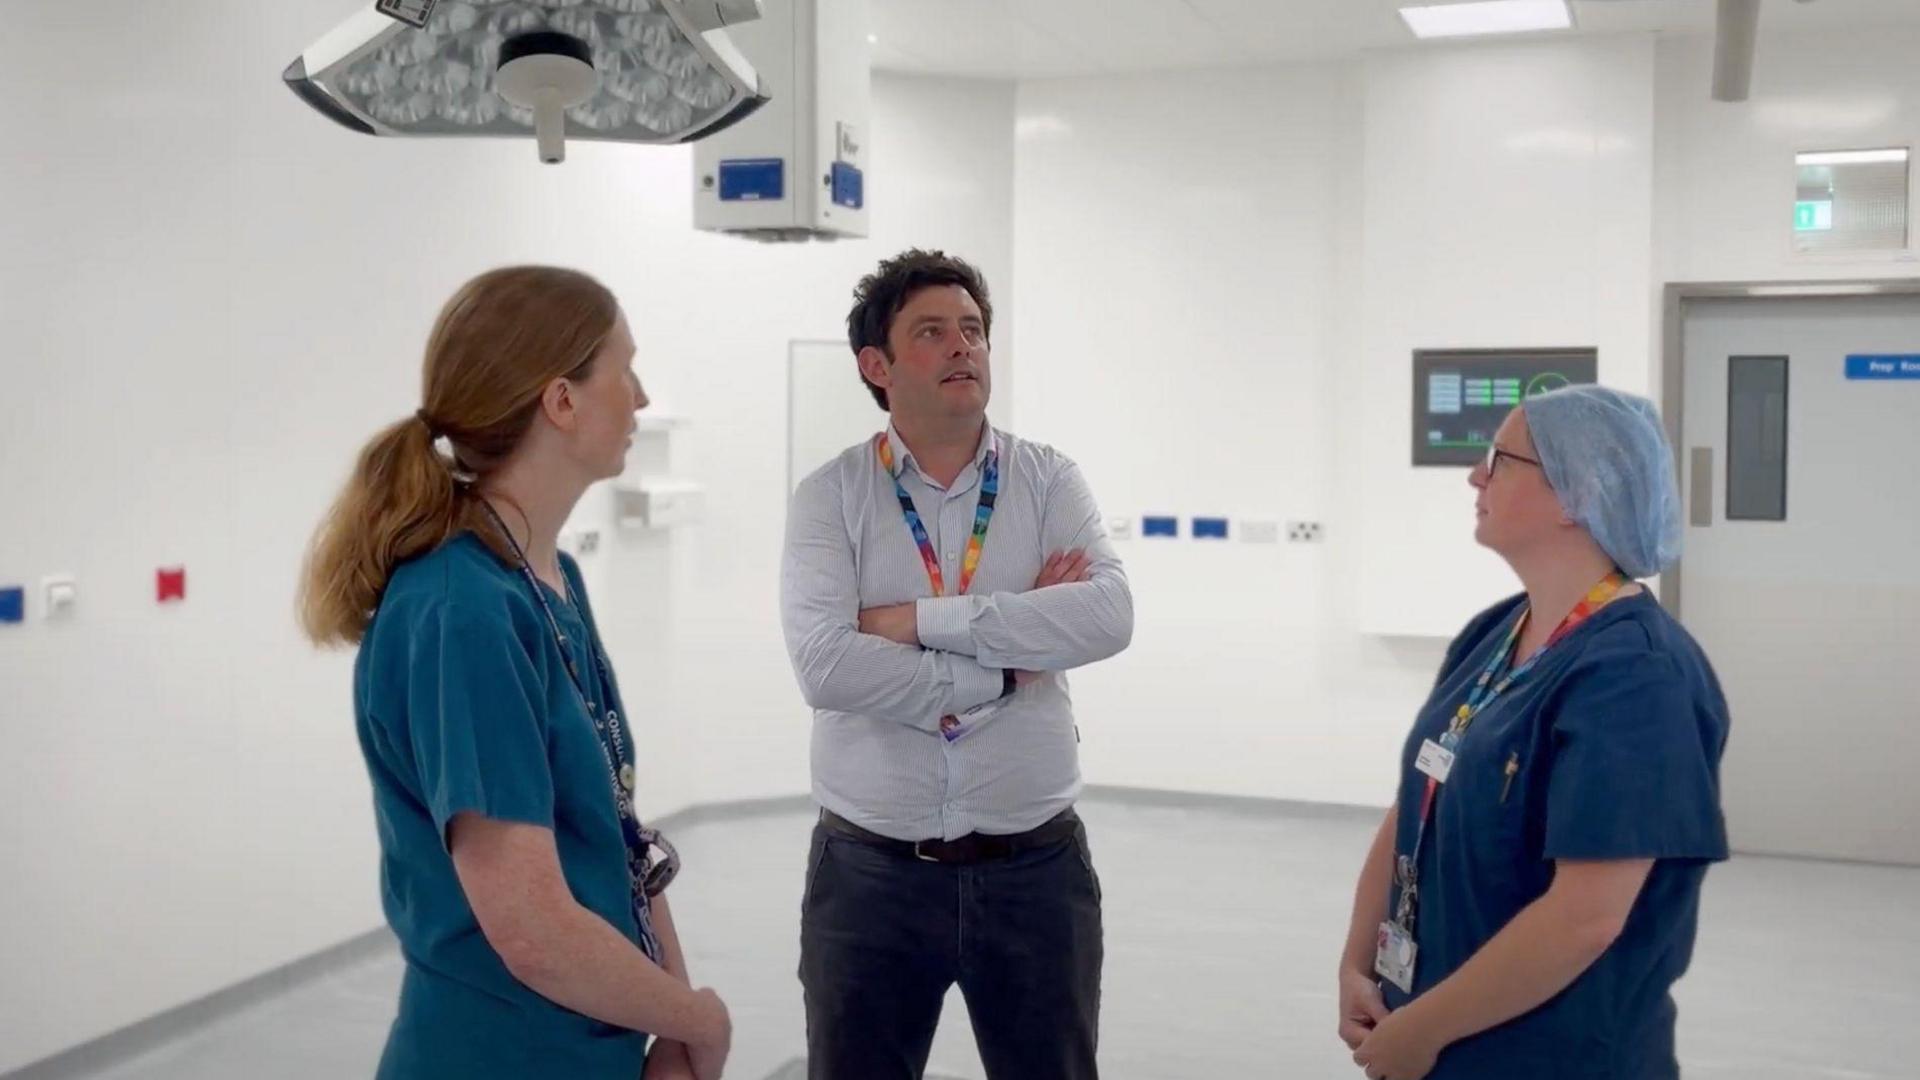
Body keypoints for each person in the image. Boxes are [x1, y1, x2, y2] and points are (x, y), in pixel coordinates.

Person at [298, 266, 731, 1080]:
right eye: (624, 370)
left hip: (595, 1044)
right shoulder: (461, 609)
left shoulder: (547, 575)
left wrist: (670, 1021)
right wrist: (698, 1019)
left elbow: (618, 832)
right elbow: (531, 928)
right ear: (560, 401)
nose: (639, 398)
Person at [779, 249, 1134, 1079]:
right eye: (932, 333)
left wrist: (917, 622)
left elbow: (1108, 615)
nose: (962, 348)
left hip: (1036, 873)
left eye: (972, 330)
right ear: (878, 365)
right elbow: (826, 666)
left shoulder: (1048, 481)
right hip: (869, 876)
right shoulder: (829, 498)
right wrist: (1009, 661)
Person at [1336, 385, 1731, 1080]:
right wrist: (1356, 962)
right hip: (1433, 1036)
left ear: (1576, 493)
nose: (1474, 476)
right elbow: (1416, 799)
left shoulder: (1636, 677)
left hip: (1552, 1057)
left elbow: (1587, 918)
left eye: (1499, 459)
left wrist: (1424, 1029)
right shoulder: (1496, 633)